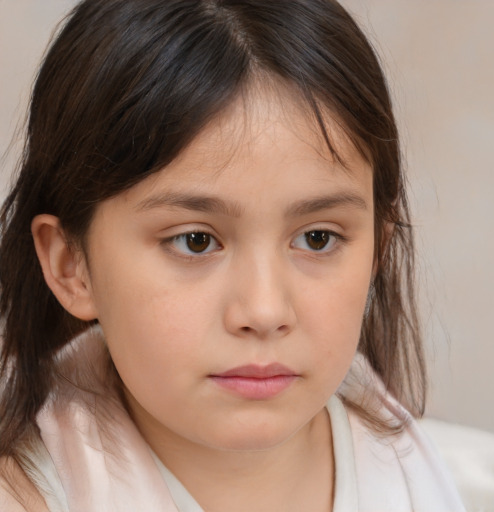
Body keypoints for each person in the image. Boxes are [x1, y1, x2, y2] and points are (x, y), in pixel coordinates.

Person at [0, 0, 469, 510]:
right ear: (72, 265)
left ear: (377, 247)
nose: (264, 311)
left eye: (317, 238)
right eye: (195, 241)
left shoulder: (455, 481)